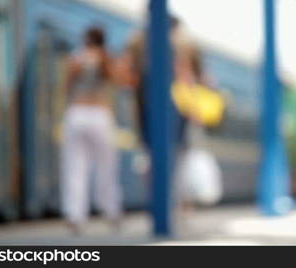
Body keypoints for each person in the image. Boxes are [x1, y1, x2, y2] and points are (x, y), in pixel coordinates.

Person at [118, 16, 206, 212]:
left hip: (146, 105)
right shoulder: (180, 44)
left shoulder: (136, 40)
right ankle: (175, 203)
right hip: (175, 107)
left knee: (153, 156)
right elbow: (187, 76)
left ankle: (158, 201)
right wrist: (194, 106)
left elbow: (126, 72)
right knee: (176, 156)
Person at [60, 27, 122, 234]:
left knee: (75, 166)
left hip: (76, 112)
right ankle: (111, 211)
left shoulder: (76, 57)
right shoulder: (106, 58)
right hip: (99, 113)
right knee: (106, 166)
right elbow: (116, 80)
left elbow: (66, 85)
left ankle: (75, 215)